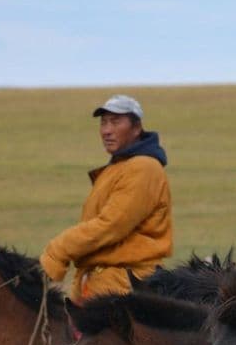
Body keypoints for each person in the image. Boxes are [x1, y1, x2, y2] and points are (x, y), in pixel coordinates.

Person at [40, 94, 172, 302]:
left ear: (136, 128)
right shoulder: (120, 167)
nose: (106, 131)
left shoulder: (143, 168)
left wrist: (58, 250)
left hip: (124, 285)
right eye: (103, 123)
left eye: (115, 122)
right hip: (99, 282)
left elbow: (111, 225)